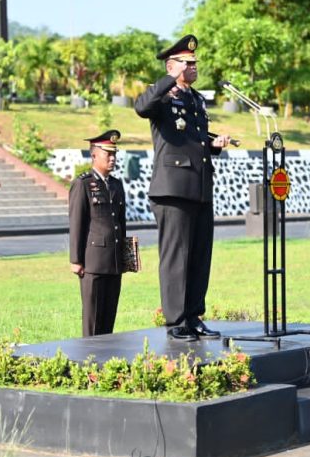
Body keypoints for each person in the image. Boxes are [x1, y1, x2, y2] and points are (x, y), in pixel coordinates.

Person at [134, 34, 230, 341]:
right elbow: (141, 106)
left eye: (194, 63)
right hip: (172, 188)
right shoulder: (163, 96)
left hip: (199, 185)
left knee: (200, 254)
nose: (193, 67)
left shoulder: (196, 99)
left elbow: (193, 136)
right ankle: (175, 320)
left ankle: (193, 316)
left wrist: (214, 144)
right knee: (176, 256)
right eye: (187, 63)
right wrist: (168, 79)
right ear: (171, 65)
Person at [68, 130, 129, 337]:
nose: (112, 159)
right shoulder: (83, 184)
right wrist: (76, 260)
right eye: (108, 154)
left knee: (109, 316)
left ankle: (105, 358)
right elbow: (77, 223)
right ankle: (89, 361)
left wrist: (125, 254)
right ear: (94, 155)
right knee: (93, 318)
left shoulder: (116, 185)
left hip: (113, 261)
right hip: (92, 261)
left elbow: (120, 223)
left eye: (114, 155)